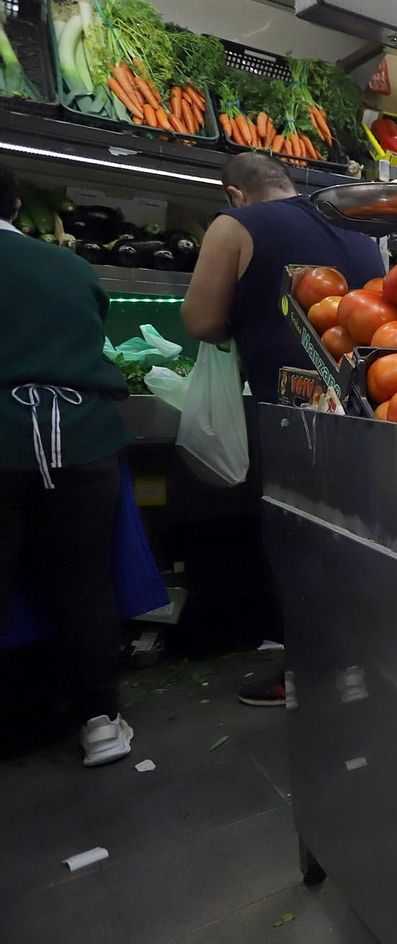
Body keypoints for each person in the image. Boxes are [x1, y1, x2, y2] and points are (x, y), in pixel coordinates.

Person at [182, 153, 383, 705]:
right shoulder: (357, 229)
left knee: (300, 547)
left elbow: (201, 320)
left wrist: (245, 322)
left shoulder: (236, 225)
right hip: (372, 413)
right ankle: (359, 671)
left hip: (294, 417)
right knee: (359, 544)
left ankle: (305, 677)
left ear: (235, 193)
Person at [0, 163, 135, 766]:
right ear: (15, 204)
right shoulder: (71, 265)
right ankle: (101, 721)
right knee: (83, 583)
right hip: (81, 442)